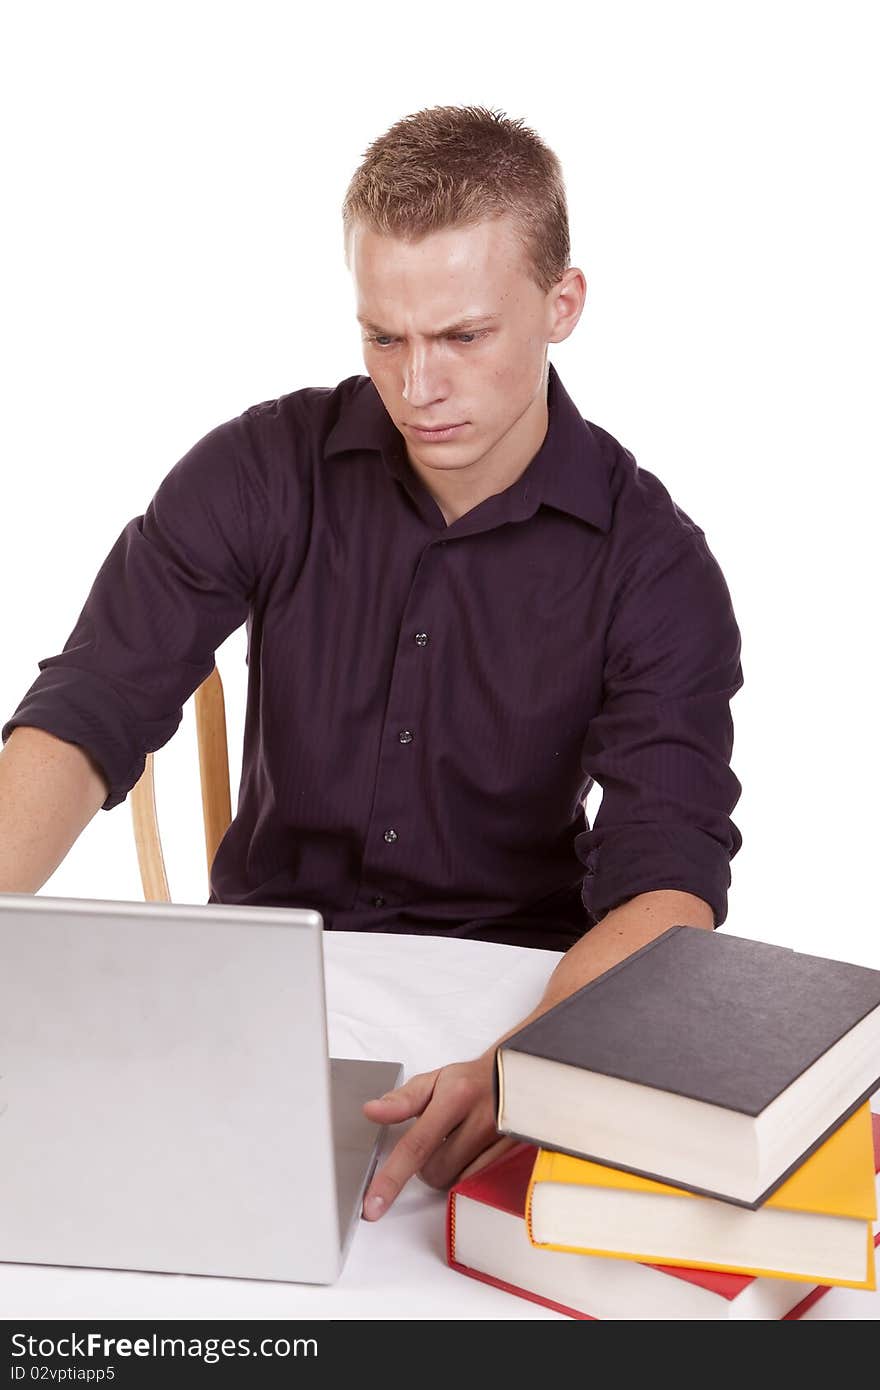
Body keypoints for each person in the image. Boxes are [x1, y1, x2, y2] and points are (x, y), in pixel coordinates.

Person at [0, 105, 743, 1221]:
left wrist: (520, 1069)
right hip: (261, 998)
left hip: (516, 1007)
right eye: (383, 337)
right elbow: (87, 709)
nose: (417, 387)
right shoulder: (261, 464)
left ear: (562, 304)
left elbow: (666, 886)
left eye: (461, 336)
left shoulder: (655, 566)